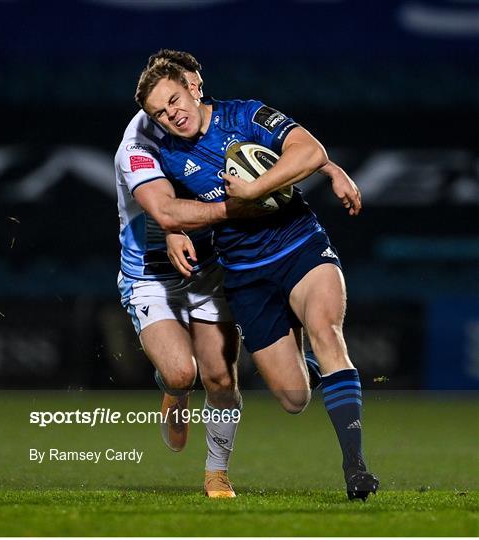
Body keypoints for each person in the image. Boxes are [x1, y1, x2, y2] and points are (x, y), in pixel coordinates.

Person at [133, 59, 380, 501]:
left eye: (174, 100)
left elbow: (307, 149)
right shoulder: (164, 155)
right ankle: (303, 364)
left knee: (327, 333)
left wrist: (260, 185)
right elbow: (162, 207)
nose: (172, 114)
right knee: (294, 399)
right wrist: (171, 231)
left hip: (300, 245)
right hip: (245, 276)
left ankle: (355, 467)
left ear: (192, 90)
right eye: (161, 113)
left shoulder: (245, 114)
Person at [115, 49, 243, 498]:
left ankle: (216, 472)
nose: (185, 101)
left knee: (222, 378)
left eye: (192, 87)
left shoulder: (217, 126)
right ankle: (171, 390)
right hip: (150, 276)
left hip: (208, 272)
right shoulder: (137, 145)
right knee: (180, 373)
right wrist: (233, 206)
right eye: (166, 101)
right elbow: (164, 207)